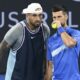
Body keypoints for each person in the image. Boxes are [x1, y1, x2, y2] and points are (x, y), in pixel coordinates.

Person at [0, 3, 50, 80]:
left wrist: (47, 72)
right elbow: (2, 48)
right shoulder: (17, 30)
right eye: (34, 15)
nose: (38, 18)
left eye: (40, 15)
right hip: (15, 77)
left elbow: (46, 52)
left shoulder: (45, 30)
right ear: (27, 16)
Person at [46, 5, 80, 80]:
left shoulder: (76, 33)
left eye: (59, 17)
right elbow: (50, 66)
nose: (56, 20)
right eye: (54, 17)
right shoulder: (50, 40)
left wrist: (59, 28)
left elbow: (69, 44)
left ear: (66, 17)